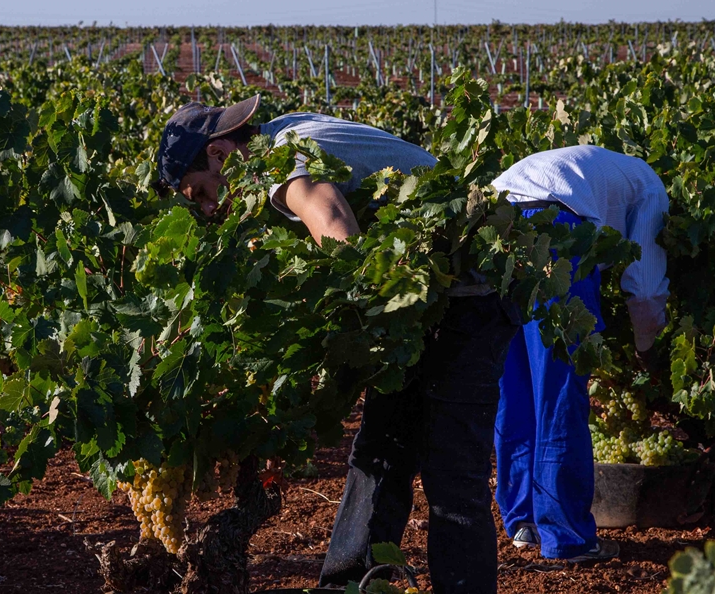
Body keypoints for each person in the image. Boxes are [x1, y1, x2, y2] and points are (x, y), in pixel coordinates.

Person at [155, 95, 520, 594]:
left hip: (467, 289)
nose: (207, 206)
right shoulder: (279, 134)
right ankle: (349, 587)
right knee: (381, 451)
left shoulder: (283, 165)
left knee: (452, 467)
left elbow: (337, 231)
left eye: (198, 191)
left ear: (219, 153)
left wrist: (330, 351)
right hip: (419, 294)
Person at [490, 145, 671, 563]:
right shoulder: (652, 188)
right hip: (557, 229)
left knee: (514, 388)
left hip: (495, 222)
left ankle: (523, 522)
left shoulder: (602, 168)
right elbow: (644, 287)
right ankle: (567, 538)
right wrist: (648, 351)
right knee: (558, 392)